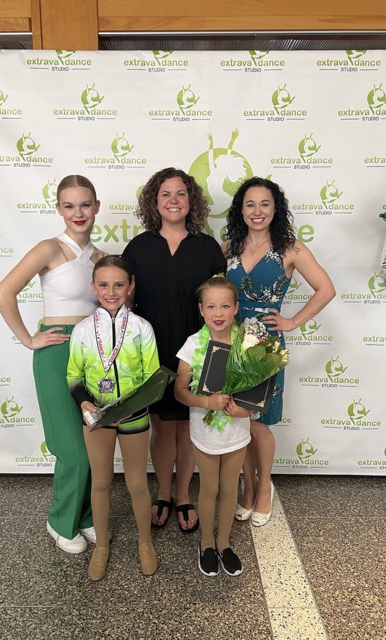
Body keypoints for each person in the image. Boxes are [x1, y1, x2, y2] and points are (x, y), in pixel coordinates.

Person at [0, 175, 106, 554]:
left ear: (97, 207)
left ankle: (85, 515)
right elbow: (2, 293)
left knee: (92, 441)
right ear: (58, 209)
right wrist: (29, 338)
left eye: (85, 205)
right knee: (70, 446)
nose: (78, 213)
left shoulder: (102, 258)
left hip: (91, 354)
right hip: (57, 352)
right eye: (69, 206)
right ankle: (59, 521)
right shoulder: (48, 249)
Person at [223, 177, 336, 527]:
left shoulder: (290, 248)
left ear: (276, 209)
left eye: (265, 204)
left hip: (266, 345)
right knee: (236, 419)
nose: (257, 211)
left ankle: (264, 488)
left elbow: (326, 289)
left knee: (260, 423)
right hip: (230, 340)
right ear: (241, 210)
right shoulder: (227, 245)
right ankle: (247, 486)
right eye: (250, 204)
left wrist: (292, 321)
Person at [122, 167, 226, 534]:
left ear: (191, 200)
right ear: (155, 201)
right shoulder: (138, 247)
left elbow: (219, 303)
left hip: (194, 352)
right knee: (161, 427)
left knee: (188, 426)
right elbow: (125, 301)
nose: (173, 201)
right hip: (150, 352)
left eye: (180, 194)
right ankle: (163, 492)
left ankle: (183, 495)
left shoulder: (207, 248)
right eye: (165, 194)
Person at [67, 255, 160, 581]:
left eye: (119, 284)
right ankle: (102, 546)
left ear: (130, 286)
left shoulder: (141, 329)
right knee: (102, 481)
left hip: (134, 417)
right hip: (97, 418)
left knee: (136, 484)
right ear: (93, 287)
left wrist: (134, 406)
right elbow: (74, 377)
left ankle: (145, 542)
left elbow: (152, 379)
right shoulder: (81, 331)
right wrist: (85, 404)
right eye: (103, 284)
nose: (111, 291)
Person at [174, 276, 251, 577]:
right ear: (201, 310)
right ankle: (206, 543)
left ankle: (224, 543)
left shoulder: (248, 343)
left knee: (230, 488)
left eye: (225, 306)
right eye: (211, 306)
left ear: (235, 308)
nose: (218, 313)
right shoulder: (193, 344)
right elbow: (180, 391)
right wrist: (207, 403)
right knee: (210, 488)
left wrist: (247, 410)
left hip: (237, 431)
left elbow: (261, 390)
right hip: (205, 433)